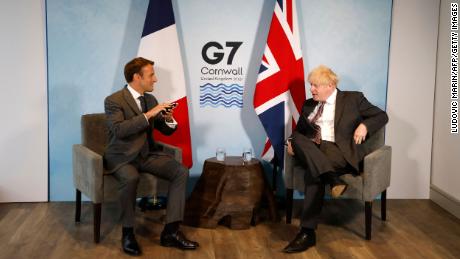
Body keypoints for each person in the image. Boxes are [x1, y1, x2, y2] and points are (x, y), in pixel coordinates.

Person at [283, 65, 388, 253]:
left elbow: (381, 116)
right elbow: (299, 133)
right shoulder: (308, 104)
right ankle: (331, 178)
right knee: (298, 140)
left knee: (313, 171)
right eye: (311, 85)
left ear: (330, 85)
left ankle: (307, 233)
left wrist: (364, 125)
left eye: (315, 85)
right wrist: (290, 144)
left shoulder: (353, 98)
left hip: (338, 151)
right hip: (314, 151)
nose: (311, 89)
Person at [104, 57, 199, 256]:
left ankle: (171, 232)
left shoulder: (150, 99)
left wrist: (169, 119)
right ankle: (128, 234)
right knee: (131, 178)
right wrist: (149, 114)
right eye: (151, 75)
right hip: (122, 156)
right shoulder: (114, 100)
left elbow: (165, 130)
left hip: (147, 154)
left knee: (181, 171)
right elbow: (119, 130)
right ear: (137, 77)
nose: (155, 79)